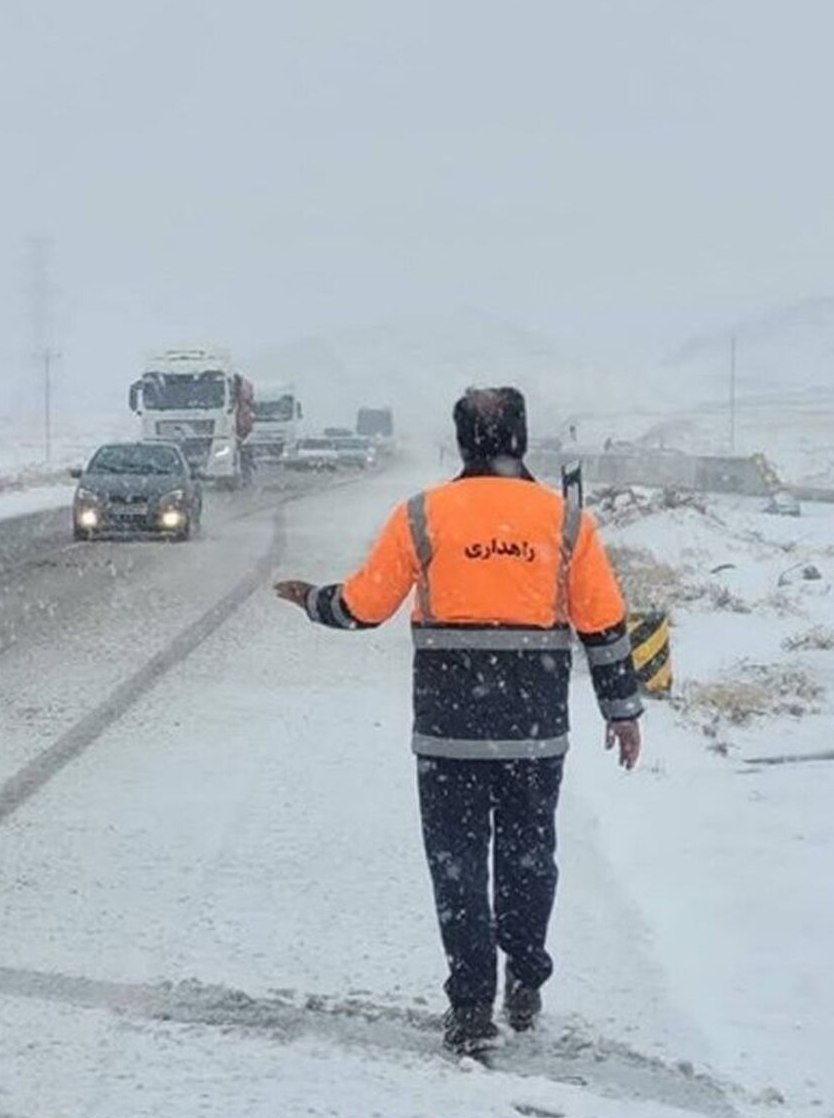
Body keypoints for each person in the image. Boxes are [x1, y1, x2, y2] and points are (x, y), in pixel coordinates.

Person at [274, 387, 644, 1055]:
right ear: (521, 440)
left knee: (458, 867)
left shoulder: (423, 515)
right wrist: (622, 711)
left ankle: (472, 1004)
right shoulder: (565, 523)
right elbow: (604, 624)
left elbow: (363, 605)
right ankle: (525, 974)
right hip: (534, 734)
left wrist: (313, 602)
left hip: (450, 732)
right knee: (530, 859)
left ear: (463, 440)